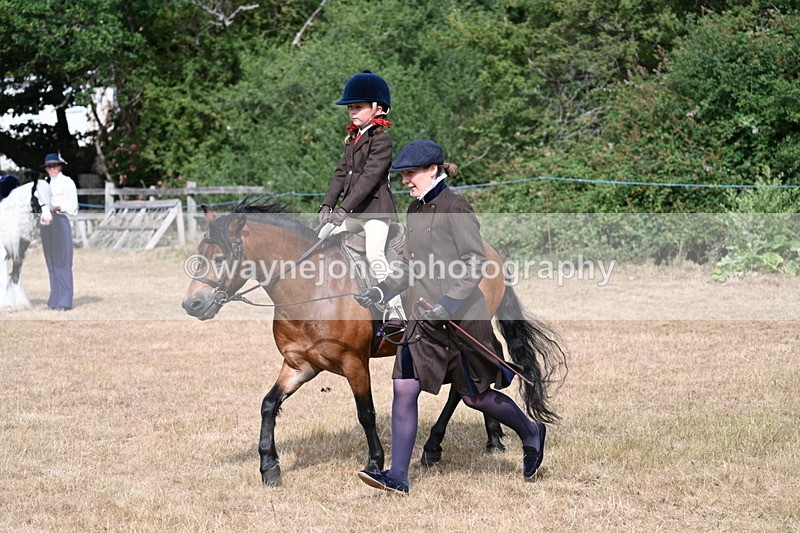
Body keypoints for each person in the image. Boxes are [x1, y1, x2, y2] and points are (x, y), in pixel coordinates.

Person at [354, 140, 549, 495]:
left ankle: (531, 431)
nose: (405, 182)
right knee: (403, 389)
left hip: (461, 320)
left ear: (433, 170)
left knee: (476, 396)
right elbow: (410, 267)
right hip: (422, 321)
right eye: (403, 176)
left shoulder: (455, 206)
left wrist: (449, 302)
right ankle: (398, 475)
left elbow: (477, 261)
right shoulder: (414, 211)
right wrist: (382, 290)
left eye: (410, 174)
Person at [318, 70, 404, 320]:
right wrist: (327, 205)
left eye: (358, 107)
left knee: (374, 253)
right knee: (321, 236)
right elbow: (339, 174)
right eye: (350, 108)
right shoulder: (353, 139)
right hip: (355, 212)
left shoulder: (382, 140)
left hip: (376, 212)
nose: (353, 112)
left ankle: (395, 308)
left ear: (378, 109)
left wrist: (342, 209)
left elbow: (368, 179)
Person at [40, 152, 78, 310]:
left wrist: (57, 207)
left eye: (54, 165)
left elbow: (73, 206)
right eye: (49, 166)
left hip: (60, 220)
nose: (52, 168)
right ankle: (54, 297)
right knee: (51, 261)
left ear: (60, 166)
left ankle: (65, 299)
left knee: (62, 260)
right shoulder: (44, 184)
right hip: (46, 222)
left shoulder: (67, 182)